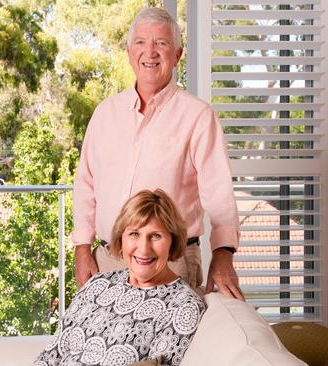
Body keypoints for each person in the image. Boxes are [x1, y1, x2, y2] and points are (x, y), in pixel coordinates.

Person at [72, 7, 244, 300]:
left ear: (177, 55)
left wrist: (223, 254)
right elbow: (86, 186)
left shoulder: (198, 116)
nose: (150, 52)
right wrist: (82, 248)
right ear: (129, 52)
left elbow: (219, 194)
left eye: (161, 44)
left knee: (166, 345)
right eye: (141, 42)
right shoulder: (105, 114)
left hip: (171, 261)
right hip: (108, 260)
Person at [32, 190, 206, 366]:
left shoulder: (183, 307)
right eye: (134, 234)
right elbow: (51, 355)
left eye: (155, 236)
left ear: (173, 241)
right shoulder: (98, 284)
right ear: (121, 239)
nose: (144, 249)